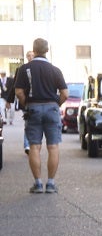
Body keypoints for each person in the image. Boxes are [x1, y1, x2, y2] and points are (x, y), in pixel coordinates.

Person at [14, 39, 68, 194]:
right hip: (51, 108)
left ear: (34, 50)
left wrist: (26, 104)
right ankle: (50, 184)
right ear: (47, 51)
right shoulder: (55, 70)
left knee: (34, 146)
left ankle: (38, 184)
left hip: (33, 109)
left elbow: (18, 92)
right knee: (53, 147)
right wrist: (55, 105)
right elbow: (65, 93)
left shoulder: (25, 68)